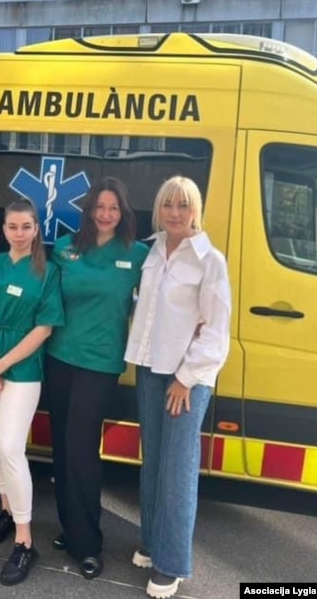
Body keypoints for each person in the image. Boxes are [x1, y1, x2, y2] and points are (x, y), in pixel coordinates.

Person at [124, 176, 231, 599]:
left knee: (178, 469)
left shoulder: (209, 261)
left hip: (185, 378)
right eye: (168, 204)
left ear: (195, 210)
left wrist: (186, 378)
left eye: (183, 205)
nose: (174, 212)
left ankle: (172, 563)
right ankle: (152, 542)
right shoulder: (152, 250)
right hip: (151, 367)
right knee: (153, 460)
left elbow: (217, 331)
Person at [44, 177, 148, 579]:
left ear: (124, 213)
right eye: (99, 207)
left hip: (100, 364)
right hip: (59, 358)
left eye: (114, 208)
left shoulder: (138, 255)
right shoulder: (66, 249)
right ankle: (71, 528)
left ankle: (87, 543)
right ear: (88, 210)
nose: (106, 214)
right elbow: (46, 298)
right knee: (62, 449)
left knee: (82, 450)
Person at [0, 198, 64, 586]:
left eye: (26, 227)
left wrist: (0, 367)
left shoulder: (47, 271)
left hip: (20, 369)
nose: (18, 234)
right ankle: (7, 509)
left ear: (36, 229)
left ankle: (24, 541)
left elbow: (44, 329)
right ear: (3, 229)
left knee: (11, 448)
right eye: (12, 227)